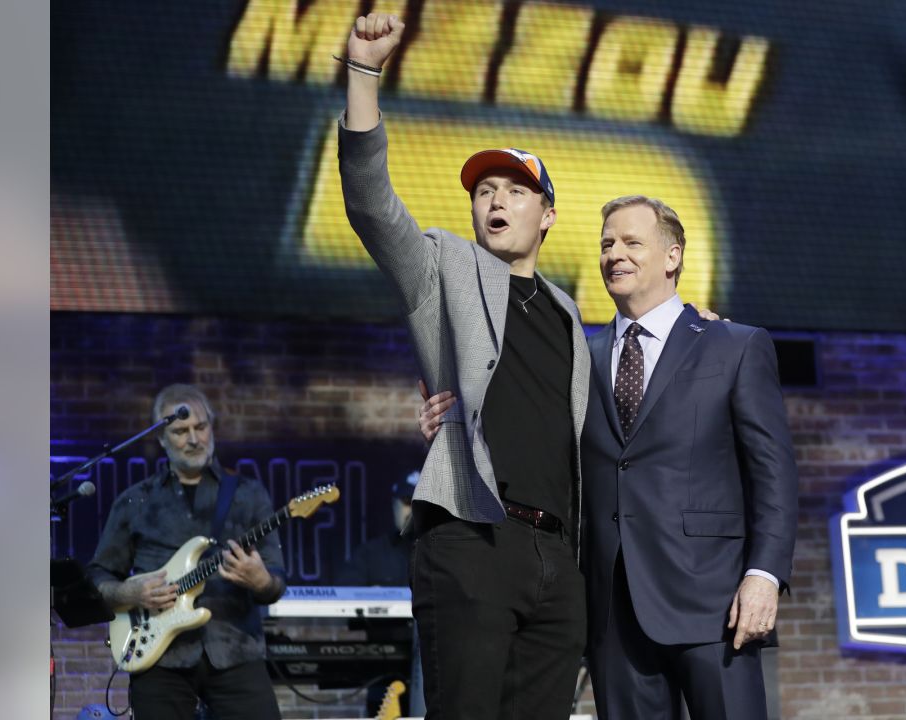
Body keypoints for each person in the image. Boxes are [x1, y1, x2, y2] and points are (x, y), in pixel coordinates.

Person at [420, 196, 799, 719]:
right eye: (605, 244)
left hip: (714, 604)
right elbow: (526, 428)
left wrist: (764, 575)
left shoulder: (733, 345)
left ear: (672, 256)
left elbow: (772, 472)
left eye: (630, 242)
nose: (613, 254)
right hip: (611, 614)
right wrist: (453, 422)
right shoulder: (578, 354)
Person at [337, 13, 590, 719]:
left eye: (514, 189)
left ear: (547, 215)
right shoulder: (441, 267)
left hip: (557, 561)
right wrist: (364, 73)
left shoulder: (571, 313)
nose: (495, 199)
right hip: (473, 539)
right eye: (484, 191)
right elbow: (370, 204)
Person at [87, 384, 287, 720]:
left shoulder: (250, 495)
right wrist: (128, 592)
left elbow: (276, 583)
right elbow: (98, 577)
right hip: (159, 657)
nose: (194, 439)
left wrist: (260, 581)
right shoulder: (135, 501)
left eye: (201, 427)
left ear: (212, 427)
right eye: (180, 431)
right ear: (162, 439)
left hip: (234, 648)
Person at [333, 471, 425, 718]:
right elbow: (342, 596)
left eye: (416, 503)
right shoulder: (371, 554)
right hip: (382, 668)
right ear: (393, 505)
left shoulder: (443, 553)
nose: (410, 510)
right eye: (405, 502)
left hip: (433, 667)